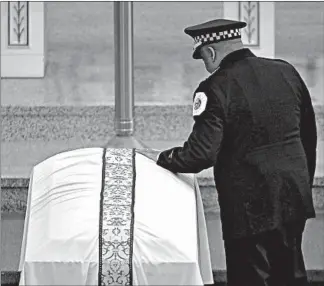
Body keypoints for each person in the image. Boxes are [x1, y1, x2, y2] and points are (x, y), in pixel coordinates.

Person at [156, 19, 317, 286]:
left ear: (210, 52)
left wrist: (165, 158)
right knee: (290, 275)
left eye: (202, 57)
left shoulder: (214, 88)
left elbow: (200, 155)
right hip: (292, 196)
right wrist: (301, 184)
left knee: (249, 278)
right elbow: (308, 137)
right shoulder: (286, 72)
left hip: (248, 207)